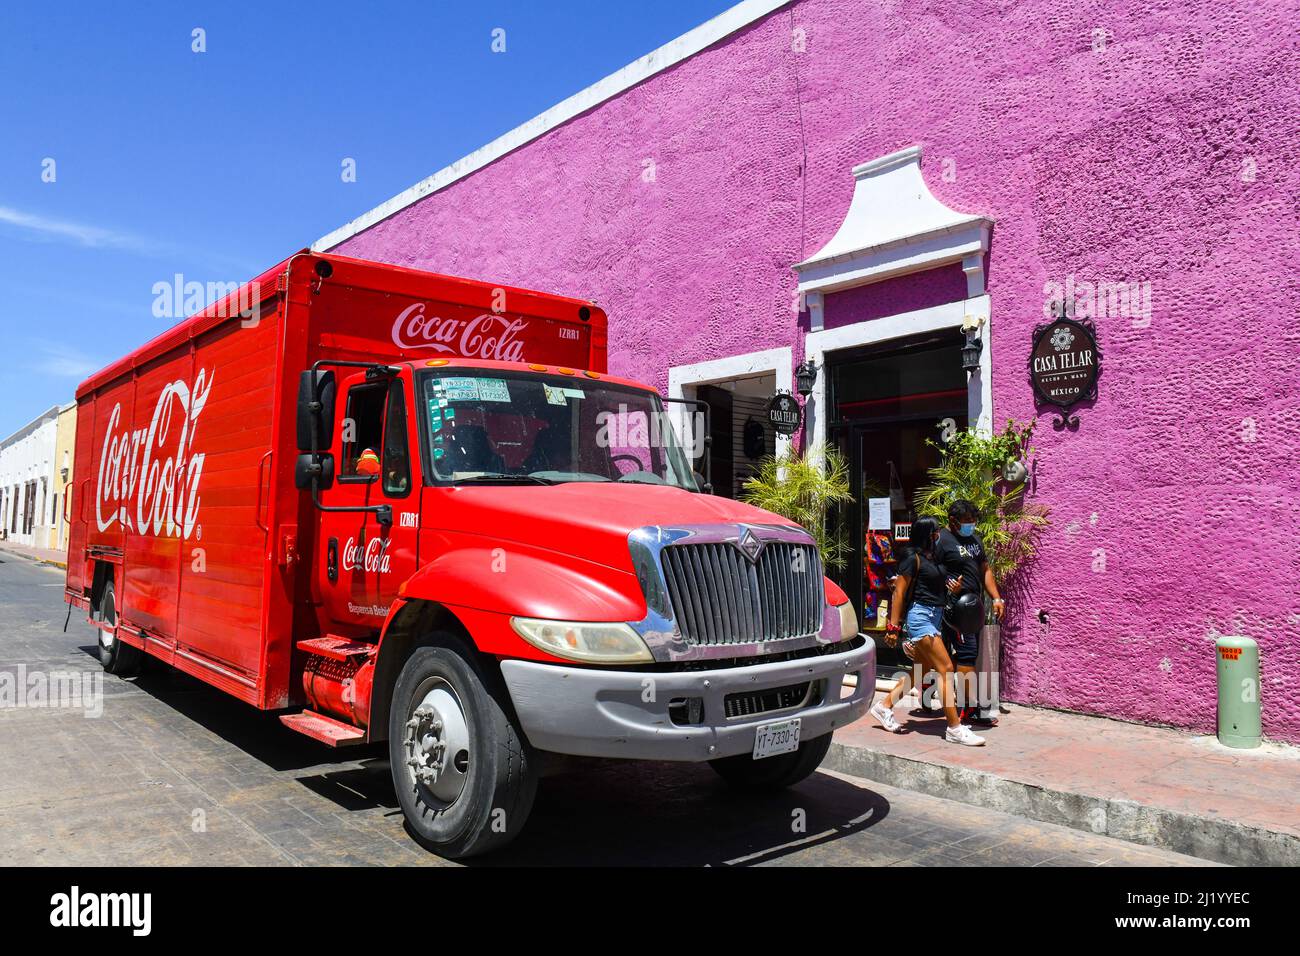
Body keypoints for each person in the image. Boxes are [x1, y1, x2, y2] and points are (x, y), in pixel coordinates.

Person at [869, 517, 986, 746]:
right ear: (927, 534)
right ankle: (954, 728)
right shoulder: (912, 559)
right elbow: (899, 593)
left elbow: (934, 587)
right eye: (935, 532)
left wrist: (954, 588)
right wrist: (893, 627)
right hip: (920, 617)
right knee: (946, 668)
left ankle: (884, 707)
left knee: (920, 672)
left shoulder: (932, 558)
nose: (938, 535)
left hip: (935, 615)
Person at [934, 499, 1005, 726]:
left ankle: (956, 699)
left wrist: (996, 597)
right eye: (967, 521)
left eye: (973, 521)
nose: (971, 525)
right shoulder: (942, 541)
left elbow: (985, 569)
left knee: (966, 657)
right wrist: (947, 584)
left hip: (974, 607)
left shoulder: (975, 539)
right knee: (967, 654)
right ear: (952, 521)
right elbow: (931, 572)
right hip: (955, 608)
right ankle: (968, 708)